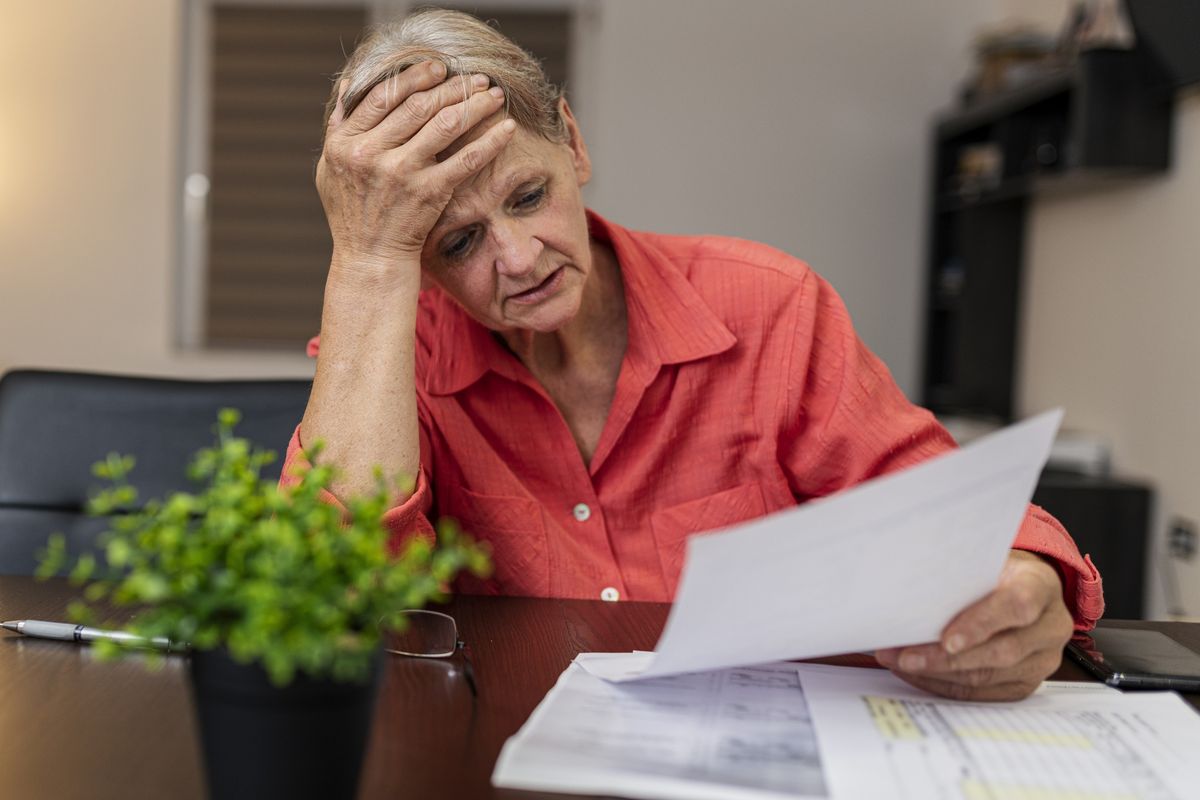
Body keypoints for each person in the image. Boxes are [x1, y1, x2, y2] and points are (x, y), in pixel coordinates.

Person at [283, 8, 1103, 701]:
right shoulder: (401, 348)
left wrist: (1025, 577)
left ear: (571, 142)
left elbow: (943, 512)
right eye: (458, 242)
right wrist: (368, 260)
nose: (521, 258)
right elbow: (329, 598)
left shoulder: (769, 305)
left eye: (529, 197)